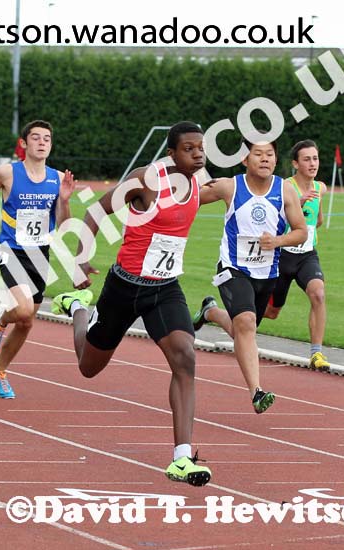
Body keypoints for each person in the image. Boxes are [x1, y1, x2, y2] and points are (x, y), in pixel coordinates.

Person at [51, 121, 212, 486]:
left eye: (201, 147)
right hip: (124, 287)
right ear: (171, 153)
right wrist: (79, 263)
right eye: (189, 148)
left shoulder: (200, 184)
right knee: (88, 367)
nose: (198, 153)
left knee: (185, 356)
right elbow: (94, 213)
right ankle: (78, 307)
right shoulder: (145, 181)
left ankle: (182, 458)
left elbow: (242, 190)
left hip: (164, 289)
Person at [193, 140, 329, 370]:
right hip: (277, 258)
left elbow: (317, 221)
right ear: (294, 163)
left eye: (315, 158)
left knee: (318, 293)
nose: (312, 163)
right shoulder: (284, 186)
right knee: (254, 322)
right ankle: (212, 312)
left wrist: (304, 221)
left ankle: (317, 353)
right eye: (307, 159)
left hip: (304, 254)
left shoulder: (320, 187)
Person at [0, 120, 74, 399]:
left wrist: (64, 200)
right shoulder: (7, 172)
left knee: (27, 322)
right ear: (24, 143)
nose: (42, 142)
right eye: (36, 138)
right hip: (10, 249)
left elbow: (64, 226)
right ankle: (1, 323)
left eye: (47, 139)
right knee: (24, 310)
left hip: (39, 253)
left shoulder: (56, 179)